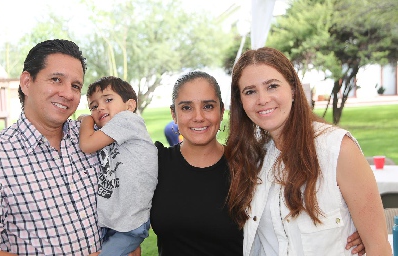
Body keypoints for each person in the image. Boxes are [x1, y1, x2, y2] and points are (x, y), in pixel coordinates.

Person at [0, 39, 139, 256]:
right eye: (56, 79)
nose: (68, 93)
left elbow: (127, 205)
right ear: (26, 82)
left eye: (75, 86)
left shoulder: (96, 140)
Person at [225, 47, 391, 255]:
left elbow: (378, 246)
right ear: (241, 101)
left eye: (272, 86)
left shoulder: (337, 149)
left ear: (293, 89)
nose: (263, 99)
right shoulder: (251, 158)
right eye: (250, 91)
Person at [150, 71, 244, 256]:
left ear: (221, 111)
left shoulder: (244, 166)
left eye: (208, 106)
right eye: (186, 108)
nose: (198, 117)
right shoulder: (156, 162)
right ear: (174, 114)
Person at [78, 76, 158, 256]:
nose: (100, 108)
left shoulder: (127, 120)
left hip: (130, 224)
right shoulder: (108, 131)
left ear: (130, 106)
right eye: (93, 106)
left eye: (108, 99)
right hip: (115, 221)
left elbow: (86, 145)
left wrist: (86, 120)